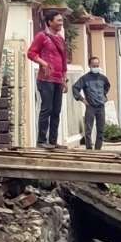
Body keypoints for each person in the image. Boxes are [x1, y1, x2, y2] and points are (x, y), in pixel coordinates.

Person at [27, 10, 69, 148]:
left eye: (61, 21)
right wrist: (43, 63)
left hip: (58, 79)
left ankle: (53, 141)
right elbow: (31, 53)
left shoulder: (61, 39)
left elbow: (63, 61)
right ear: (50, 22)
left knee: (56, 110)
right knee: (47, 109)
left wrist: (64, 78)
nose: (61, 23)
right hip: (45, 79)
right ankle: (41, 141)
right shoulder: (42, 36)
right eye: (58, 20)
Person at [72, 56, 112, 150]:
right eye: (94, 65)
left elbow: (107, 86)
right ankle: (89, 149)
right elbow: (75, 88)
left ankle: (98, 149)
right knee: (88, 129)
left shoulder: (103, 78)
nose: (96, 67)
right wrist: (82, 99)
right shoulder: (85, 78)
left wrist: (104, 96)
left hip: (101, 106)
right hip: (90, 106)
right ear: (89, 65)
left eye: (97, 65)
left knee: (101, 129)